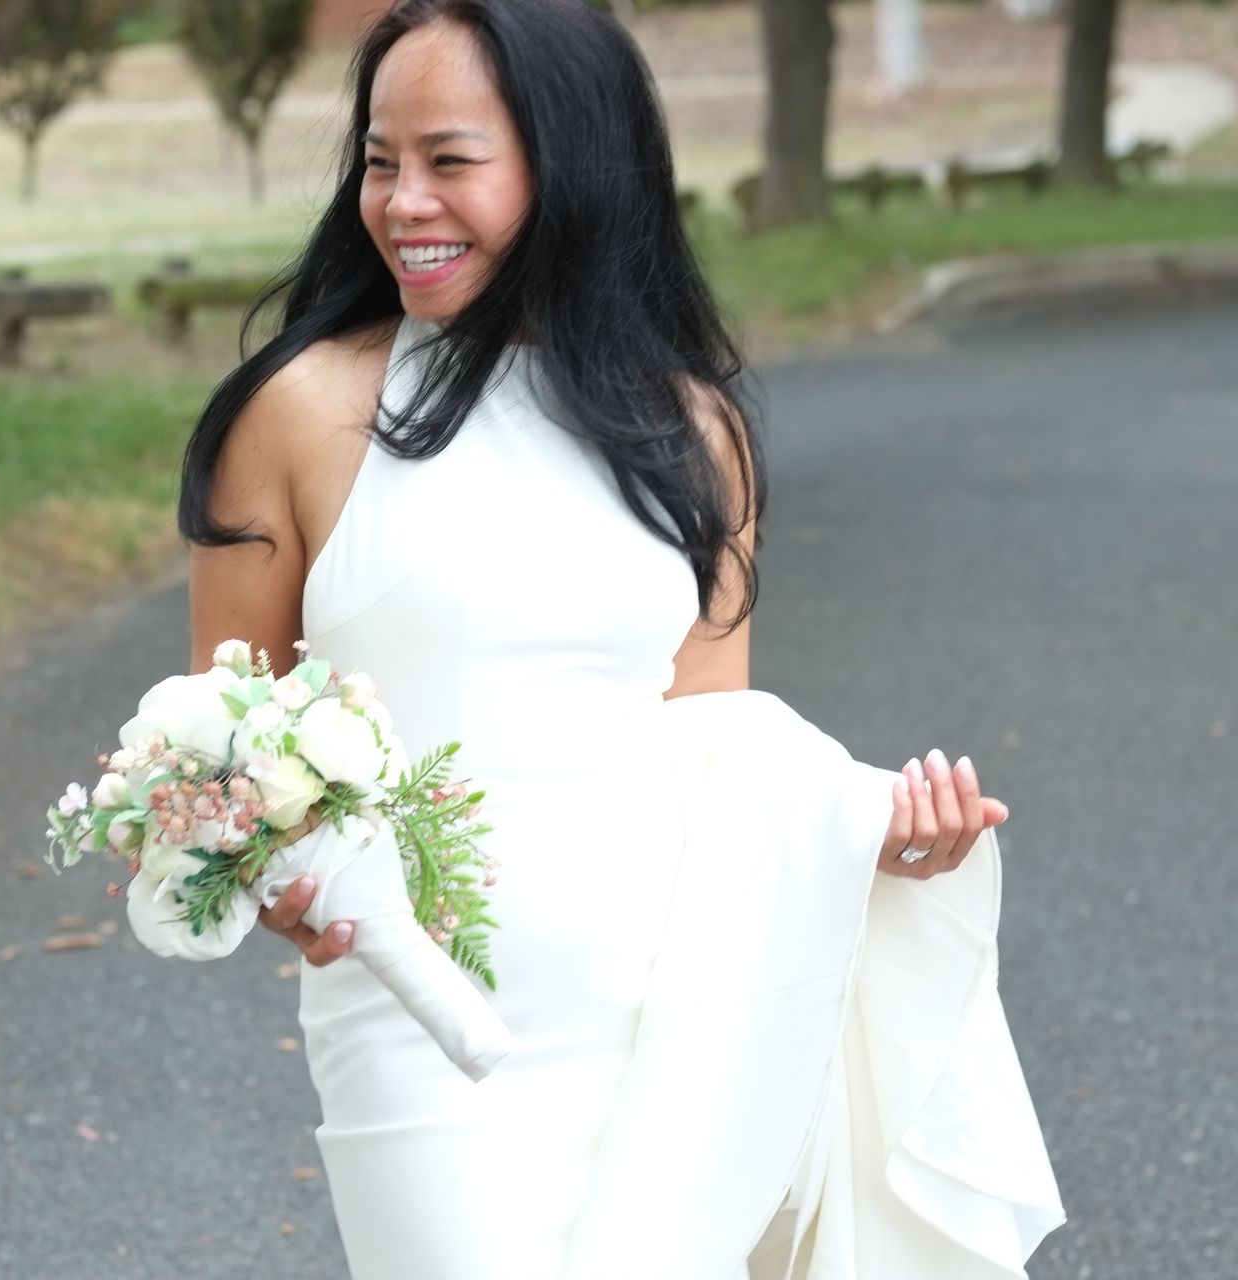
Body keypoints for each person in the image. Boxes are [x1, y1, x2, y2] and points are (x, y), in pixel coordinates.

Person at [179, 1, 1063, 1275]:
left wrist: (873, 834)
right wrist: (280, 888)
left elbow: (715, 743)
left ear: (570, 162)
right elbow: (222, 742)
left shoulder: (692, 431)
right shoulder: (297, 413)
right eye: (380, 160)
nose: (404, 201)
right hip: (409, 999)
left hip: (661, 995)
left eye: (451, 159)